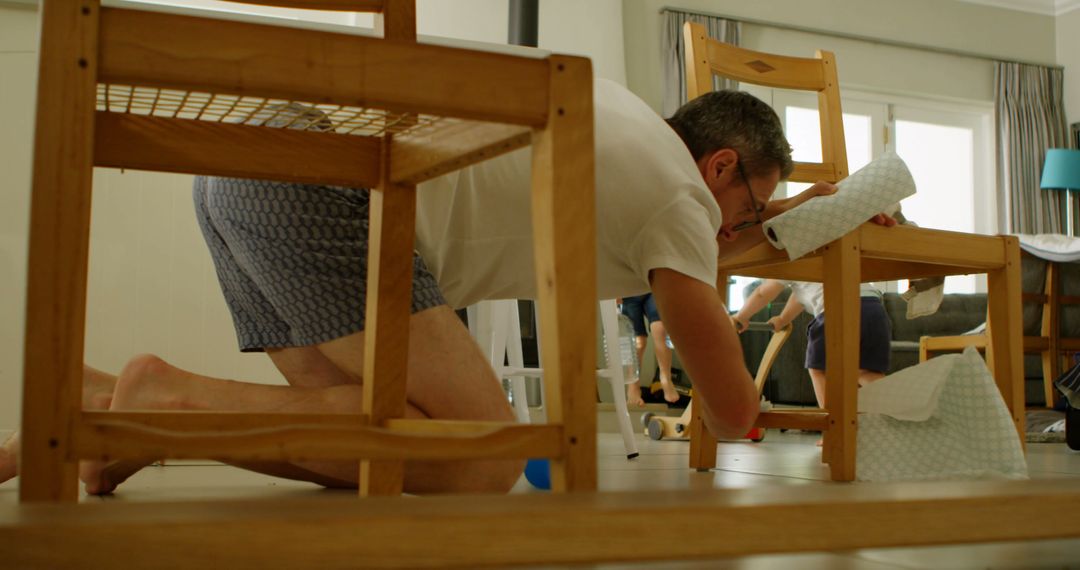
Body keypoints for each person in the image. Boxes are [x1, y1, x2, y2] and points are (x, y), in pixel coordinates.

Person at [2, 81, 862, 495]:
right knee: (477, 459)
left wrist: (787, 221)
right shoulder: (679, 194)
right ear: (719, 165)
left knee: (389, 447)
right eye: (750, 206)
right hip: (324, 182)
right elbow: (727, 413)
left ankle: (113, 414)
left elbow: (704, 243)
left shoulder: (627, 119)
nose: (738, 230)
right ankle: (165, 402)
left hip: (255, 166)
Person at [731, 279, 893, 443]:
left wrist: (741, 316)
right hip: (874, 309)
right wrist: (782, 318)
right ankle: (899, 415)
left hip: (836, 310)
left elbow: (763, 292)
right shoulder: (817, 262)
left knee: (820, 370)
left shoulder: (789, 261)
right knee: (865, 372)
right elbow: (800, 295)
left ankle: (834, 431)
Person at [618, 294, 678, 406]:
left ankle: (666, 378)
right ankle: (633, 385)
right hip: (628, 292)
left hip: (650, 288)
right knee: (638, 342)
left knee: (661, 328)